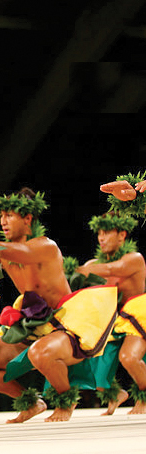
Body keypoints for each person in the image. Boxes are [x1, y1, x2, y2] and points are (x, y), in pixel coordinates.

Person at [0, 188, 118, 423]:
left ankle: (67, 400)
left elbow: (22, 252)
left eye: (10, 215)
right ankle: (30, 402)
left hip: (65, 329)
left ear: (28, 218)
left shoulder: (45, 246)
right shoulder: (4, 252)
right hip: (33, 327)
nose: (3, 221)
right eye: (1, 215)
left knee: (40, 353)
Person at [99, 175, 146, 413]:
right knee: (95, 363)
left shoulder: (132, 259)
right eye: (100, 233)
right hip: (120, 320)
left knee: (131, 357)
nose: (101, 237)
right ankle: (116, 394)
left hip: (140, 316)